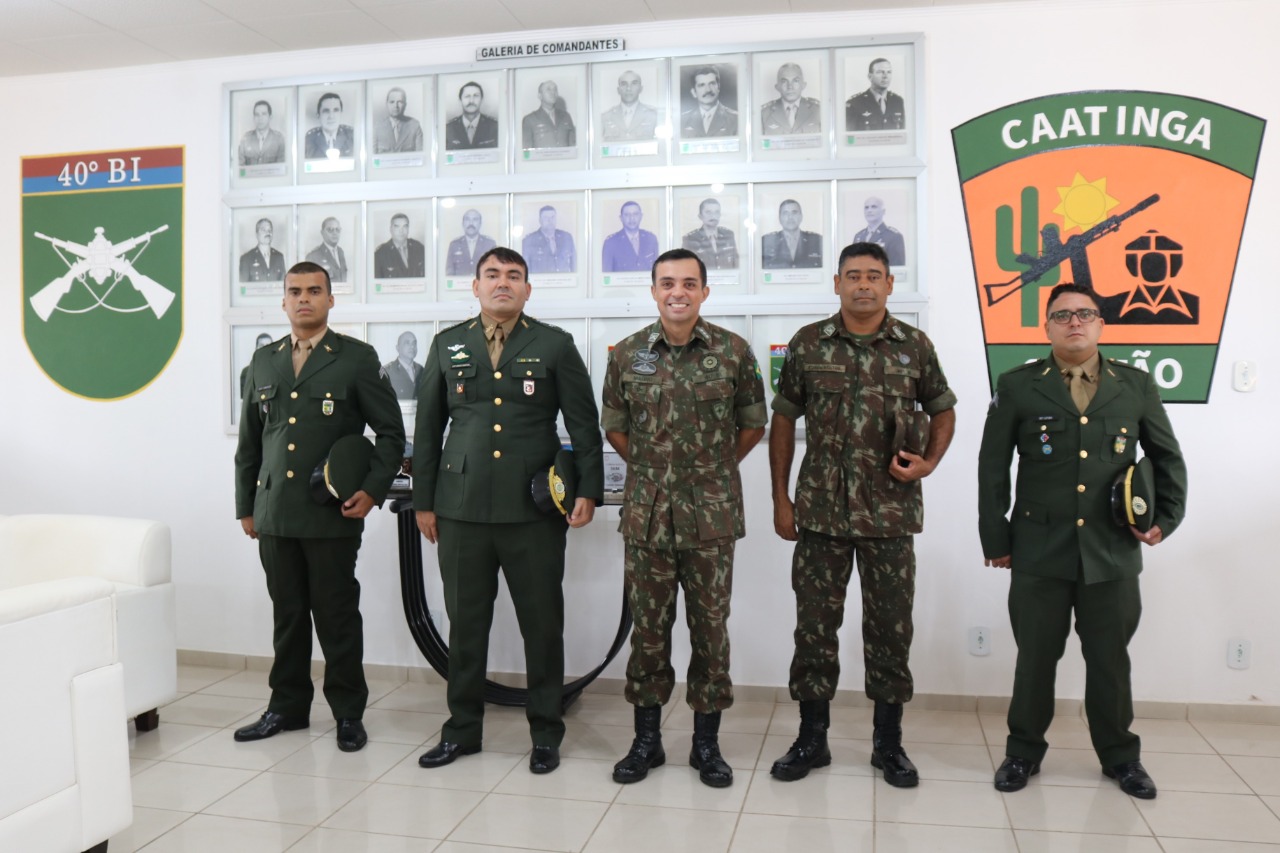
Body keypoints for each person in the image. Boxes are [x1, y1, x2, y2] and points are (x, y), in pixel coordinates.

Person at [978, 282, 1187, 800]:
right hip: (1037, 551)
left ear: (1100, 324)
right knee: (1034, 659)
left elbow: (1167, 458)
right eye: (1063, 315)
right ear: (1045, 326)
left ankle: (1121, 758)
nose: (1075, 322)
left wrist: (1166, 518)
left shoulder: (1134, 386)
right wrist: (995, 537)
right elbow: (992, 468)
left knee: (1110, 661)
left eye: (1085, 313)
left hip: (1112, 550)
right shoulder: (1019, 385)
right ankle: (1022, 752)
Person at [768, 242, 956, 787]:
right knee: (814, 631)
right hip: (821, 516)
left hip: (890, 518)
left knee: (890, 632)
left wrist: (929, 463)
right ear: (837, 283)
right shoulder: (809, 344)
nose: (863, 285)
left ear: (890, 284)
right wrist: (781, 498)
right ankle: (812, 740)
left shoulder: (914, 346)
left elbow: (943, 409)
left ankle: (889, 744)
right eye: (853, 276)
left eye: (874, 276)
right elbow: (783, 421)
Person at [413, 247, 603, 775]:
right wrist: (424, 502)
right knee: (465, 625)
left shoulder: (555, 345)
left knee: (542, 626)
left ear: (527, 289)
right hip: (461, 509)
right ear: (475, 287)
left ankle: (546, 733)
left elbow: (583, 425)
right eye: (492, 275)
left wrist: (587, 490)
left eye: (513, 276)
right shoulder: (447, 343)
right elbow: (428, 430)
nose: (503, 284)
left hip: (534, 511)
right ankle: (461, 731)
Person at [602, 249, 766, 789]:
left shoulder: (733, 352)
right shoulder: (627, 355)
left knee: (710, 632)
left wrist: (709, 471)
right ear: (653, 290)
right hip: (648, 515)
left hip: (711, 516)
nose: (678, 292)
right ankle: (646, 743)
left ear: (704, 292)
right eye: (667, 283)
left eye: (689, 283)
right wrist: (655, 471)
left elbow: (752, 425)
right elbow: (616, 428)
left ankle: (706, 745)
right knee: (648, 633)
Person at [233, 261, 404, 753]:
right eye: (294, 291)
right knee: (287, 616)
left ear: (331, 300)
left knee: (336, 616)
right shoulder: (263, 362)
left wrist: (372, 490)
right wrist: (247, 506)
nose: (303, 298)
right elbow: (250, 444)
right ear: (283, 302)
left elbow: (391, 434)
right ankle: (286, 707)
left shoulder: (354, 358)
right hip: (276, 513)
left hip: (331, 513)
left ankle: (348, 713)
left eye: (314, 291)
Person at [846, 58, 906, 132]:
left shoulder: (898, 102)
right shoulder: (855, 104)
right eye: (880, 72)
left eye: (889, 72)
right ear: (870, 76)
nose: (885, 76)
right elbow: (849, 138)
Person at [760, 63, 821, 135]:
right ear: (777, 87)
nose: (790, 86)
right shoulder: (764, 114)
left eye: (795, 81)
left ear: (803, 85)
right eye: (784, 81)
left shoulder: (818, 111)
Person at [761, 200, 823, 269]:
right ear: (779, 218)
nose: (790, 217)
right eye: (785, 213)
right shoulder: (767, 241)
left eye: (794, 213)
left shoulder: (816, 241)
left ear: (801, 216)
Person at [600, 70, 659, 142]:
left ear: (641, 88)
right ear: (618, 90)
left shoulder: (653, 116)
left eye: (634, 83)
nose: (628, 88)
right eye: (624, 84)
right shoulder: (605, 118)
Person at [601, 201, 659, 273]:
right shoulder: (611, 243)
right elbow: (606, 274)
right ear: (621, 218)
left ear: (641, 216)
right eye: (627, 215)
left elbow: (657, 271)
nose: (632, 218)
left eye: (635, 214)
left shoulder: (651, 239)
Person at [680, 66, 738, 138]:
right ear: (694, 92)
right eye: (701, 85)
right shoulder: (681, 120)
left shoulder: (736, 119)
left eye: (712, 83)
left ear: (718, 87)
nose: (708, 90)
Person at [681, 198, 738, 271]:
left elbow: (736, 263)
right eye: (708, 212)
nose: (713, 216)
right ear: (700, 216)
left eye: (716, 212)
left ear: (720, 215)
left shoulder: (728, 235)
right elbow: (685, 267)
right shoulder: (690, 238)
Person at [444, 81, 499, 150]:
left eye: (476, 96)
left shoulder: (495, 127)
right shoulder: (448, 129)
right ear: (460, 100)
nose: (471, 101)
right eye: (467, 96)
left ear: (481, 99)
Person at [521, 206, 576, 274]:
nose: (550, 221)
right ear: (540, 220)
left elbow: (575, 265)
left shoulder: (567, 237)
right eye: (546, 218)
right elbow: (525, 270)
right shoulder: (528, 241)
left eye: (552, 217)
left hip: (566, 282)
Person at [522, 80, 576, 148]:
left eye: (555, 90)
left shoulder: (566, 117)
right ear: (540, 96)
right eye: (548, 89)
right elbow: (526, 151)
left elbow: (573, 146)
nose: (553, 92)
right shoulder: (529, 119)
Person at [853, 197, 906, 266]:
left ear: (883, 211)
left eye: (874, 207)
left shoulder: (894, 236)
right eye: (866, 207)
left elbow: (897, 267)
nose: (869, 210)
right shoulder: (858, 236)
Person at [444, 209, 498, 276]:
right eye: (467, 219)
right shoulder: (454, 245)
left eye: (475, 219)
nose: (471, 223)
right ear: (463, 223)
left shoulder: (489, 244)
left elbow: (495, 270)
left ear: (480, 223)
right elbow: (449, 272)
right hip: (458, 286)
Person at [373, 213, 426, 279]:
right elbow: (377, 286)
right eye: (397, 226)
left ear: (408, 228)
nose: (401, 231)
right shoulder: (380, 254)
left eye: (405, 226)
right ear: (391, 229)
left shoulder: (419, 248)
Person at [372, 87, 424, 153]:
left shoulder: (414, 126)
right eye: (392, 102)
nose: (395, 106)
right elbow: (372, 159)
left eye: (400, 102)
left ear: (405, 105)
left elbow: (421, 156)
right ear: (386, 104)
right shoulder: (377, 127)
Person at [304, 92, 355, 159]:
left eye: (336, 110)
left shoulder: (352, 136)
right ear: (318, 115)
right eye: (326, 111)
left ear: (340, 113)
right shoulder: (308, 140)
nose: (331, 116)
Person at [238, 100, 286, 166]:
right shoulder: (245, 139)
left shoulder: (279, 139)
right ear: (253, 118)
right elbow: (240, 166)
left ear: (270, 117)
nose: (260, 118)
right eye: (257, 115)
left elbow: (282, 167)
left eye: (264, 114)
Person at [239, 218, 286, 283]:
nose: (268, 233)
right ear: (257, 234)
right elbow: (242, 288)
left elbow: (283, 285)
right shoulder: (246, 258)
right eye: (264, 230)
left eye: (270, 230)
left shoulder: (279, 257)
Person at [306, 217, 348, 283]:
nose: (335, 233)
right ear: (322, 232)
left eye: (337, 230)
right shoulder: (313, 256)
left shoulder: (340, 252)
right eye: (330, 230)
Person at [383, 331, 422, 400]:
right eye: (407, 343)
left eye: (414, 343)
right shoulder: (387, 371)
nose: (412, 346)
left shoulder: (422, 370)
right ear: (397, 348)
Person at [239, 331, 276, 399]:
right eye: (261, 345)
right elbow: (243, 400)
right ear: (256, 348)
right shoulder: (246, 372)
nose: (265, 349)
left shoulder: (280, 371)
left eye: (268, 345)